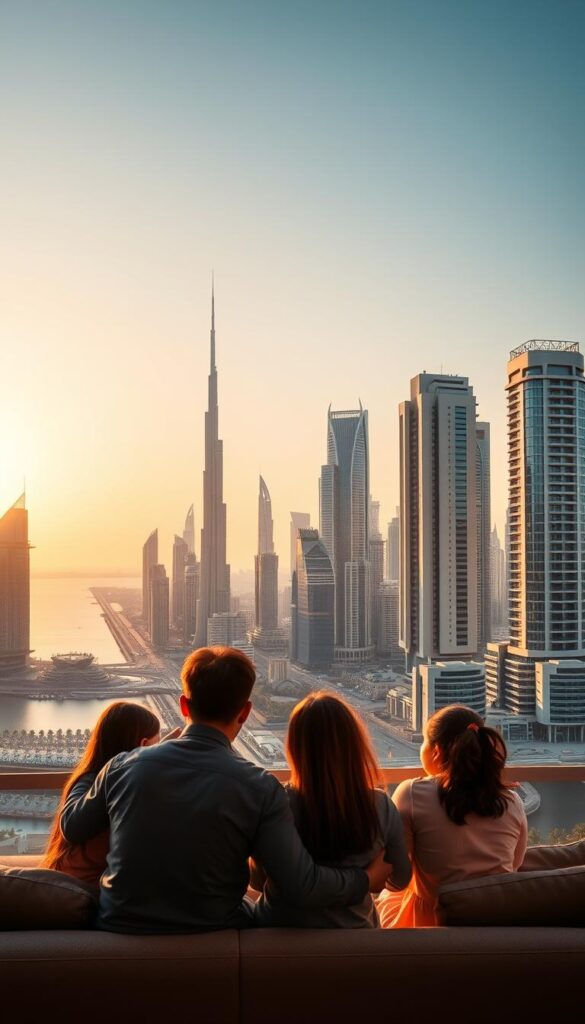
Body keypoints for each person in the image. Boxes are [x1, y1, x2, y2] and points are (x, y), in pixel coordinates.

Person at [59, 647, 392, 933]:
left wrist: (101, 762)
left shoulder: (124, 766)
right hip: (213, 930)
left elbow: (72, 826)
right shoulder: (260, 787)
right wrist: (366, 879)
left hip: (119, 924)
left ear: (184, 706)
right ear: (245, 712)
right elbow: (299, 885)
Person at [252, 692, 411, 927]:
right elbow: (400, 879)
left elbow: (257, 880)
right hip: (354, 931)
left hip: (280, 933)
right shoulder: (380, 806)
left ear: (295, 748)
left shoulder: (278, 803)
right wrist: (368, 875)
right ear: (355, 745)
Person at [377, 703, 528, 928]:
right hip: (495, 923)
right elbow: (514, 865)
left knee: (388, 898)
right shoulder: (512, 801)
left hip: (431, 923)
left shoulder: (411, 793)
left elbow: (399, 874)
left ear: (435, 750)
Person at [42, 701, 160, 887]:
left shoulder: (86, 778)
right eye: (157, 745)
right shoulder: (95, 782)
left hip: (73, 888)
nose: (159, 752)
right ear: (142, 744)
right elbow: (71, 826)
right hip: (84, 894)